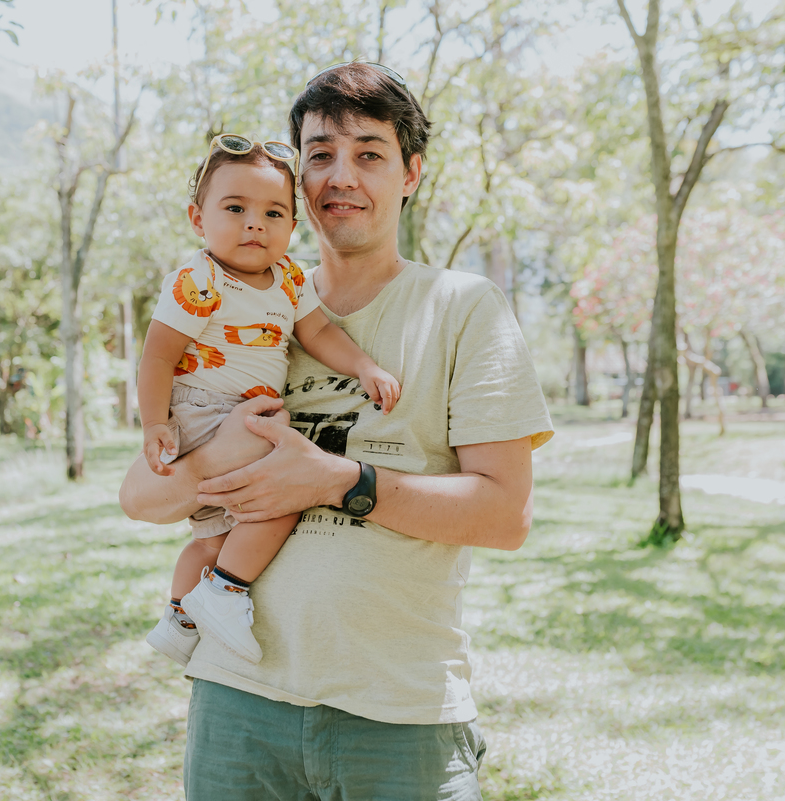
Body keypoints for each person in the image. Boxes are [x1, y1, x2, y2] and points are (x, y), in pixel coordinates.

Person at [119, 61, 553, 800]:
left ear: (412, 172)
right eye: (320, 154)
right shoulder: (240, 310)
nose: (340, 175)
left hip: (398, 713)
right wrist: (223, 451)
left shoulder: (464, 308)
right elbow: (145, 500)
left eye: (370, 154)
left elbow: (503, 514)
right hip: (238, 705)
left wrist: (339, 481)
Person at [140, 133, 401, 667]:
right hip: (204, 410)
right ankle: (224, 594)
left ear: (292, 226)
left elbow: (320, 335)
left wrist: (364, 366)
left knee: (214, 535)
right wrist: (153, 422)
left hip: (241, 416)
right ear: (198, 219)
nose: (254, 223)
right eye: (235, 208)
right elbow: (157, 356)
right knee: (282, 498)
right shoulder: (200, 280)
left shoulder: (287, 282)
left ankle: (178, 619)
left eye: (273, 212)